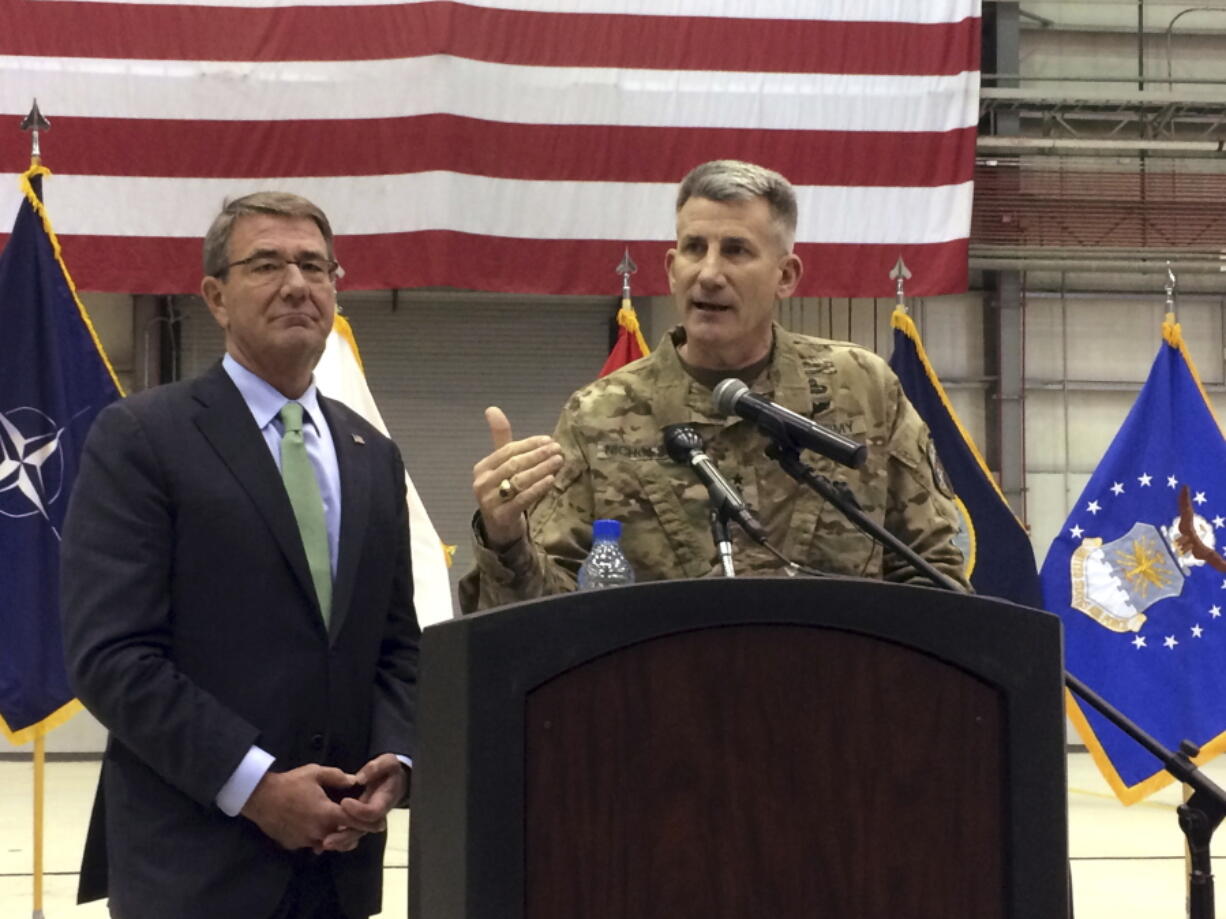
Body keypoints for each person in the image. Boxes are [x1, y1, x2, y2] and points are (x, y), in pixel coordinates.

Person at [60, 192, 420, 919]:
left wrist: (398, 764)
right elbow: (112, 655)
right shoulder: (142, 437)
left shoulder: (373, 455)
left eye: (315, 265)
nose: (296, 283)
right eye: (267, 263)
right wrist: (254, 785)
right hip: (192, 869)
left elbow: (397, 646)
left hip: (338, 871)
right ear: (216, 297)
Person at [460, 160, 967, 613]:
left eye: (736, 251)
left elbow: (932, 572)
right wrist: (506, 538)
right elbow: (549, 612)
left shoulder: (863, 390)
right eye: (694, 249)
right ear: (670, 268)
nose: (708, 274)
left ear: (785, 276)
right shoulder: (599, 415)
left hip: (835, 700)